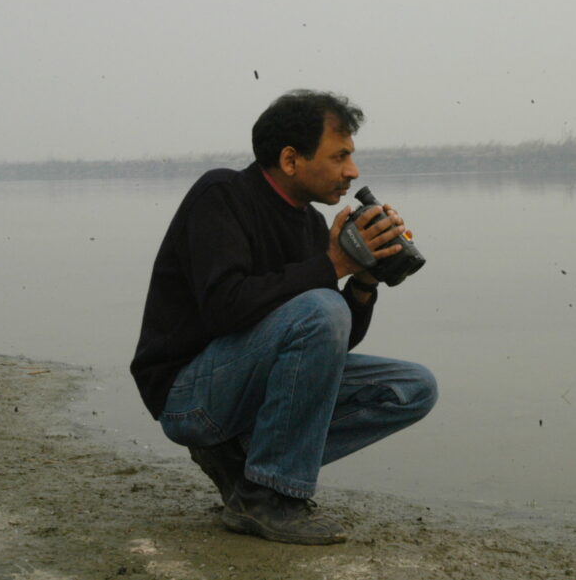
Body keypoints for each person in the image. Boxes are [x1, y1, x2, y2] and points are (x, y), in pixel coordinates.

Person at [130, 89, 438, 545]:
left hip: (246, 388)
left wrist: (364, 279)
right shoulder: (222, 195)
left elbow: (325, 344)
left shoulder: (311, 225)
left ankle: (247, 467)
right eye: (340, 156)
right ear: (291, 159)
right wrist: (333, 265)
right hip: (190, 395)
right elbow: (224, 308)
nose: (352, 172)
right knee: (321, 308)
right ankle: (268, 498)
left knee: (412, 388)